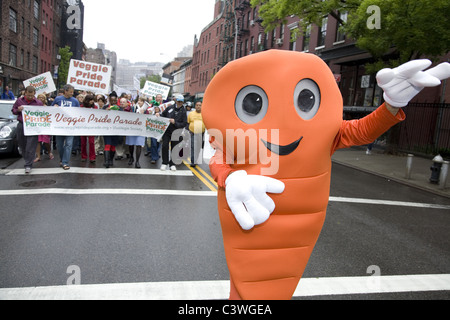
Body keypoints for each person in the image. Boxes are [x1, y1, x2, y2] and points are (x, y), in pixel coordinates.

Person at [11, 86, 43, 174]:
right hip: (22, 125)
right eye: (28, 95)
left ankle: (28, 164)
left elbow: (43, 114)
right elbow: (13, 110)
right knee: (22, 145)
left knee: (31, 146)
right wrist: (18, 110)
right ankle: (27, 159)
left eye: (32, 96)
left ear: (34, 94)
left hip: (33, 126)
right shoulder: (19, 101)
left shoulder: (38, 103)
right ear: (25, 93)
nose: (30, 97)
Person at [52, 84, 80, 170]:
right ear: (65, 91)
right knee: (60, 145)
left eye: (73, 92)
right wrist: (54, 107)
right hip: (59, 127)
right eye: (70, 92)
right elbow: (50, 110)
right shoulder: (57, 99)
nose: (72, 93)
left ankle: (65, 162)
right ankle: (62, 159)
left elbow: (79, 112)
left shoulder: (75, 101)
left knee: (68, 144)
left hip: (70, 127)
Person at [160, 95, 187, 171]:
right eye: (179, 101)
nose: (180, 103)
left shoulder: (183, 111)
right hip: (167, 131)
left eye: (181, 102)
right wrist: (158, 115)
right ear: (176, 101)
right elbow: (163, 115)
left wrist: (175, 122)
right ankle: (164, 163)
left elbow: (184, 123)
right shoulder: (170, 107)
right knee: (165, 146)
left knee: (174, 148)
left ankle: (172, 164)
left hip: (177, 132)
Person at [124, 97, 146, 168]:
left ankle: (137, 161)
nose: (140, 102)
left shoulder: (146, 110)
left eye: (141, 101)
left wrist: (144, 113)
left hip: (141, 129)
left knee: (139, 144)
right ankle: (131, 157)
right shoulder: (132, 108)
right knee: (131, 145)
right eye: (139, 100)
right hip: (132, 128)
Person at [34, 93, 54, 163]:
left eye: (42, 97)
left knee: (46, 141)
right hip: (38, 125)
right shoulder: (34, 106)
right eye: (40, 97)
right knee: (38, 141)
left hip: (45, 126)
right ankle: (38, 156)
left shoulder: (47, 107)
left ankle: (49, 152)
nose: (41, 99)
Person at [102, 92, 120, 168]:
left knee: (113, 146)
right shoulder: (105, 107)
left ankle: (111, 160)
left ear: (116, 100)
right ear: (109, 100)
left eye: (114, 101)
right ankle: (106, 161)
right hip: (107, 130)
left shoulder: (119, 108)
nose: (113, 102)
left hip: (115, 130)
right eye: (111, 101)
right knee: (107, 145)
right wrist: (105, 111)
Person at [187, 101, 206, 167]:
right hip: (193, 133)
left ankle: (196, 158)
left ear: (202, 106)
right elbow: (188, 122)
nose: (198, 106)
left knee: (198, 147)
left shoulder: (204, 114)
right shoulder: (191, 114)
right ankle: (193, 161)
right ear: (195, 106)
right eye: (197, 105)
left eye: (200, 105)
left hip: (201, 133)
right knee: (193, 146)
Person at [80, 94, 97, 163]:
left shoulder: (95, 107)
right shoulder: (81, 107)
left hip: (91, 127)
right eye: (90, 100)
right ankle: (84, 156)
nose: (92, 101)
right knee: (83, 142)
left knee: (91, 142)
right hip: (83, 127)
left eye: (92, 100)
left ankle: (92, 157)